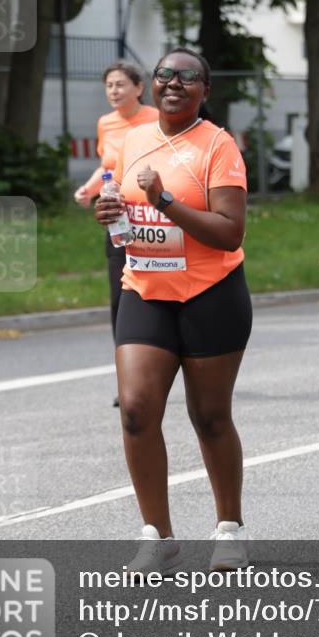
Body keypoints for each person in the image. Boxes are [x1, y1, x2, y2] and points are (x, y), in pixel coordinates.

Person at [95, 48, 252, 573]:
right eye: (165, 75)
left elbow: (230, 233)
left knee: (209, 417)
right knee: (137, 409)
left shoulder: (218, 146)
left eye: (189, 77)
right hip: (144, 288)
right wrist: (109, 210)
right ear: (153, 85)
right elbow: (121, 204)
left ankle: (228, 527)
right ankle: (156, 534)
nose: (174, 83)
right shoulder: (134, 140)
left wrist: (165, 203)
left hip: (211, 293)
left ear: (205, 90)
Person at [74, 61, 158, 341]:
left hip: (152, 214)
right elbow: (108, 166)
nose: (114, 91)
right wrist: (88, 189)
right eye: (109, 85)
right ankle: (125, 351)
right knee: (119, 289)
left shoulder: (156, 119)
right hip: (117, 215)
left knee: (155, 284)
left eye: (120, 84)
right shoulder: (105, 123)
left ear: (139, 87)